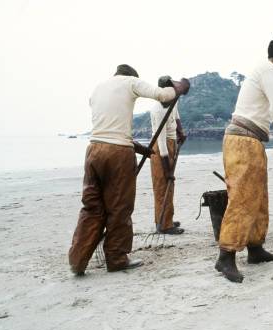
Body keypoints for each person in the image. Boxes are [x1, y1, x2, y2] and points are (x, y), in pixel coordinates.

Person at [68, 64, 189, 275]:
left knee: (91, 208)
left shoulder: (98, 89)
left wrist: (137, 147)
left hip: (94, 151)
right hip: (118, 154)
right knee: (119, 207)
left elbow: (110, 126)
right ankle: (116, 258)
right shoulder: (130, 81)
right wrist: (181, 86)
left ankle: (77, 260)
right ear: (130, 76)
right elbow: (162, 95)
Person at [215, 33, 273, 283]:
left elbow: (272, 111)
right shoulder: (269, 69)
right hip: (242, 141)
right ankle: (226, 256)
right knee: (242, 198)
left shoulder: (263, 70)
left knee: (258, 198)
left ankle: (255, 248)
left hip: (251, 141)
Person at [149, 75, 187, 235]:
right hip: (160, 148)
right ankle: (164, 225)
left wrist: (180, 131)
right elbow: (161, 141)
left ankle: (166, 219)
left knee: (169, 186)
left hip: (171, 143)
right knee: (162, 185)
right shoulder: (157, 109)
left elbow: (176, 115)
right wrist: (168, 169)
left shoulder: (173, 97)